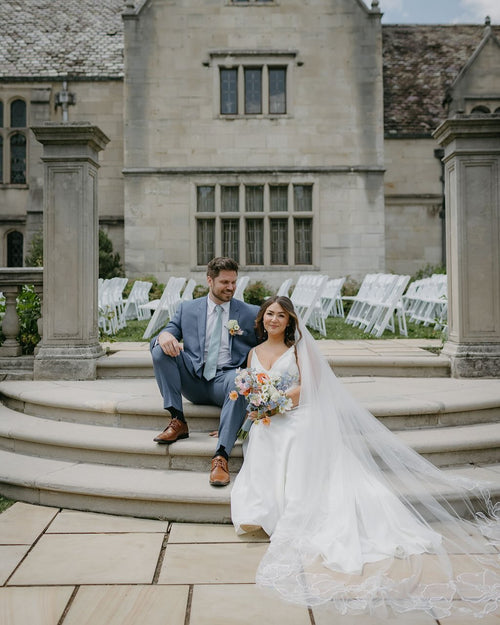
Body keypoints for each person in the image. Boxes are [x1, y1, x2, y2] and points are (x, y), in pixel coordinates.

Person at [231, 296, 500, 619]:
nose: (274, 319)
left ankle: (290, 509)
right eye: (269, 314)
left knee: (293, 435)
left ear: (290, 321)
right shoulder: (252, 353)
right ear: (261, 319)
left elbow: (310, 385)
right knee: (263, 435)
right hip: (269, 418)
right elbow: (251, 388)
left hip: (299, 414)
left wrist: (277, 401)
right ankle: (263, 508)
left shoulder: (299, 349)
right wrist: (261, 405)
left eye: (281, 315)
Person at [150, 257, 259, 486]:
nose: (230, 288)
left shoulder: (250, 313)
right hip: (194, 379)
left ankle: (221, 457)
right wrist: (165, 335)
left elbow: (271, 346)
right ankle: (177, 420)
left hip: (226, 380)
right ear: (209, 280)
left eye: (233, 282)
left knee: (241, 380)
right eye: (224, 282)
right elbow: (169, 331)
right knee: (160, 350)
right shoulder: (188, 309)